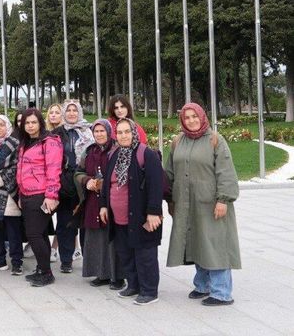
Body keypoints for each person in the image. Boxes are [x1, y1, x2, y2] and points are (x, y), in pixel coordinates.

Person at [165, 103, 240, 306]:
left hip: (211, 204)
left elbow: (226, 173)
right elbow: (169, 173)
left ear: (201, 116)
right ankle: (202, 285)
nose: (191, 120)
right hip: (186, 203)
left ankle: (221, 292)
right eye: (186, 117)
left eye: (194, 116)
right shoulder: (177, 142)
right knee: (196, 242)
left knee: (215, 245)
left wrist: (223, 199)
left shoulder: (216, 140)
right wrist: (168, 198)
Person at [100, 118, 163, 305]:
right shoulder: (114, 155)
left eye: (127, 131)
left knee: (145, 254)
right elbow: (106, 185)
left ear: (134, 132)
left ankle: (149, 291)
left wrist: (153, 212)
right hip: (119, 217)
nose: (123, 136)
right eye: (119, 132)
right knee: (126, 253)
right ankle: (134, 285)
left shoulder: (147, 154)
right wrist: (104, 205)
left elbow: (156, 185)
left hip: (141, 216)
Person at [75, 119, 124, 289]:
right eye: (96, 131)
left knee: (113, 239)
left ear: (109, 132)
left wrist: (107, 184)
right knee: (96, 238)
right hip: (93, 201)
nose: (99, 134)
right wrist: (87, 181)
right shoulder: (89, 151)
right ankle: (100, 273)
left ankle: (117, 276)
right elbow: (78, 172)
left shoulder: (118, 150)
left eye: (102, 131)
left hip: (114, 201)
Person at [16, 108, 62, 287]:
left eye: (34, 122)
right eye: (27, 123)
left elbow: (53, 170)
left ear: (40, 123)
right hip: (26, 194)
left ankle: (47, 272)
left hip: (41, 195)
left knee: (33, 234)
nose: (30, 125)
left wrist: (51, 195)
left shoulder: (49, 142)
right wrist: (21, 194)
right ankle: (42, 268)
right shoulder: (25, 142)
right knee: (40, 234)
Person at [49, 99, 94, 273]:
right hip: (65, 183)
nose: (72, 113)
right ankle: (66, 260)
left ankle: (88, 259)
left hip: (85, 182)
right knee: (65, 223)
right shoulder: (57, 133)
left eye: (75, 110)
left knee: (86, 223)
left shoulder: (89, 132)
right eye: (68, 111)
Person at [0, 114, 24, 275]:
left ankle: (17, 262)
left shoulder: (15, 144)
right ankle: (0, 260)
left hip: (9, 192)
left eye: (2, 124)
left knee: (13, 230)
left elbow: (17, 167)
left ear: (8, 127)